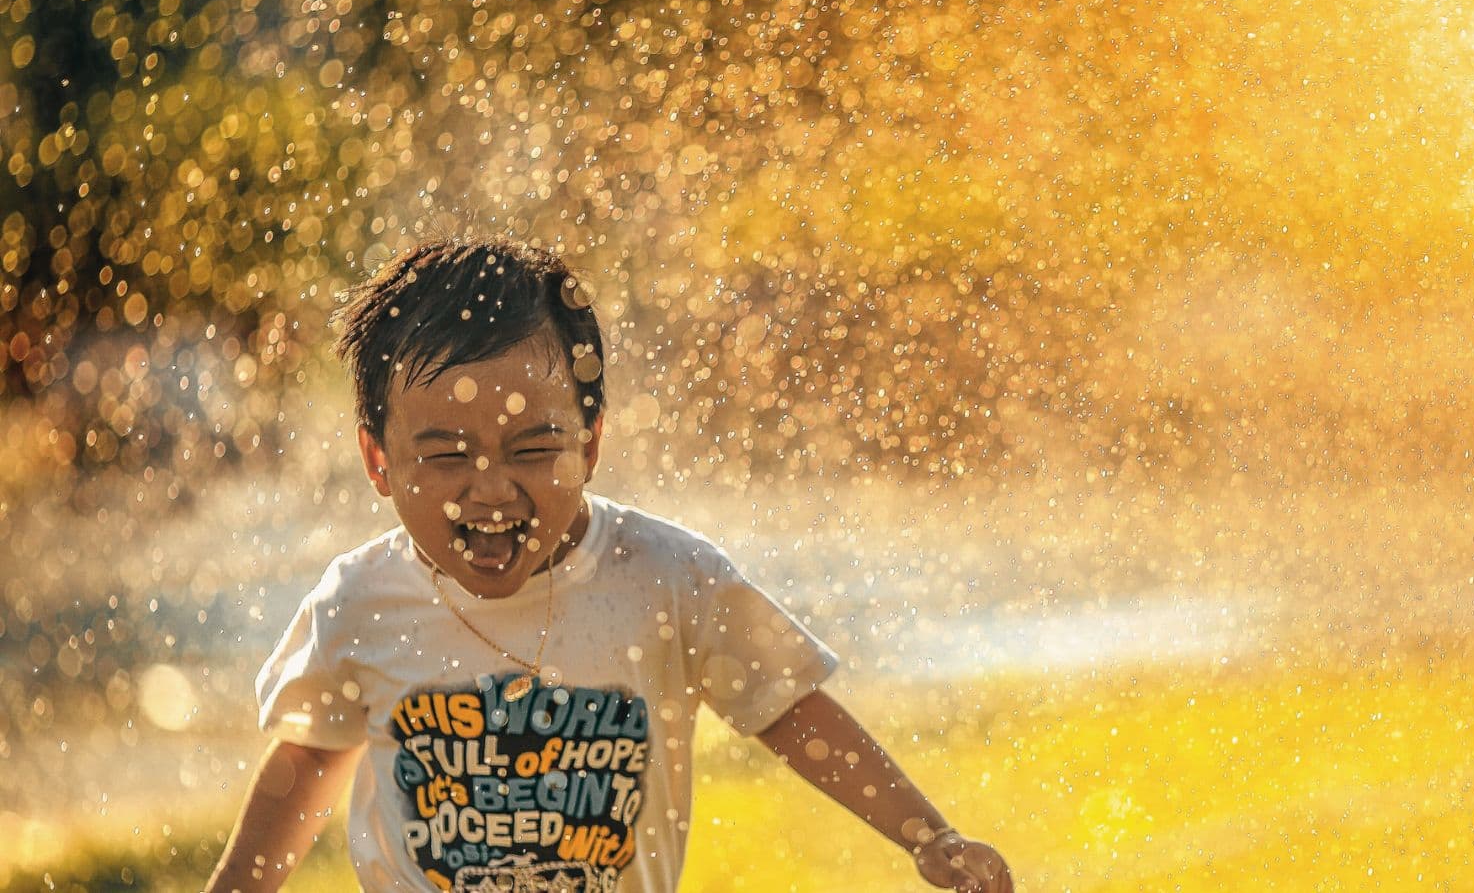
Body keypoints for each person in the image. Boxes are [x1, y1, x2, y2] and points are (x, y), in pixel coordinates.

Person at [204, 236, 1012, 892]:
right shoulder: (363, 601)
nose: (490, 489)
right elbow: (311, 757)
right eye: (446, 454)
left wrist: (926, 833)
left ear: (590, 445)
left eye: (533, 447)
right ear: (378, 461)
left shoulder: (664, 578)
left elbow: (786, 707)